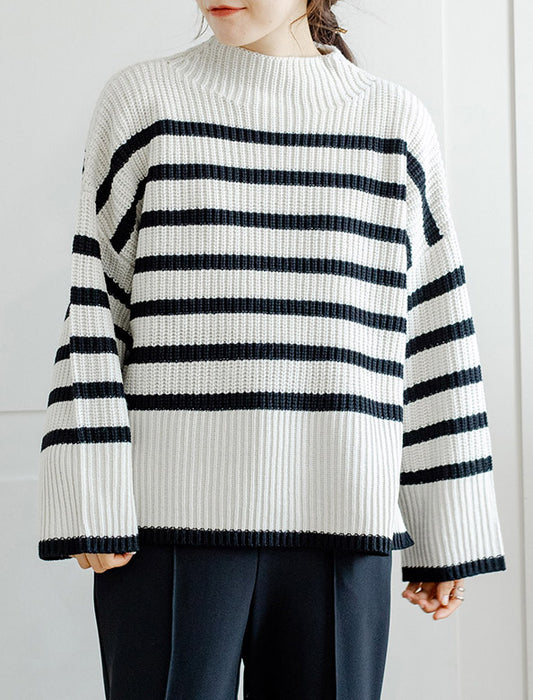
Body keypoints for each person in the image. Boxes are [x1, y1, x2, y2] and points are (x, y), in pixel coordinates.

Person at [37, 1, 507, 698]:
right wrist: (90, 497)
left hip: (342, 525)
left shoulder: (393, 122)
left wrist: (447, 529)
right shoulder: (143, 102)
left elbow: (434, 325)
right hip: (164, 529)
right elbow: (94, 307)